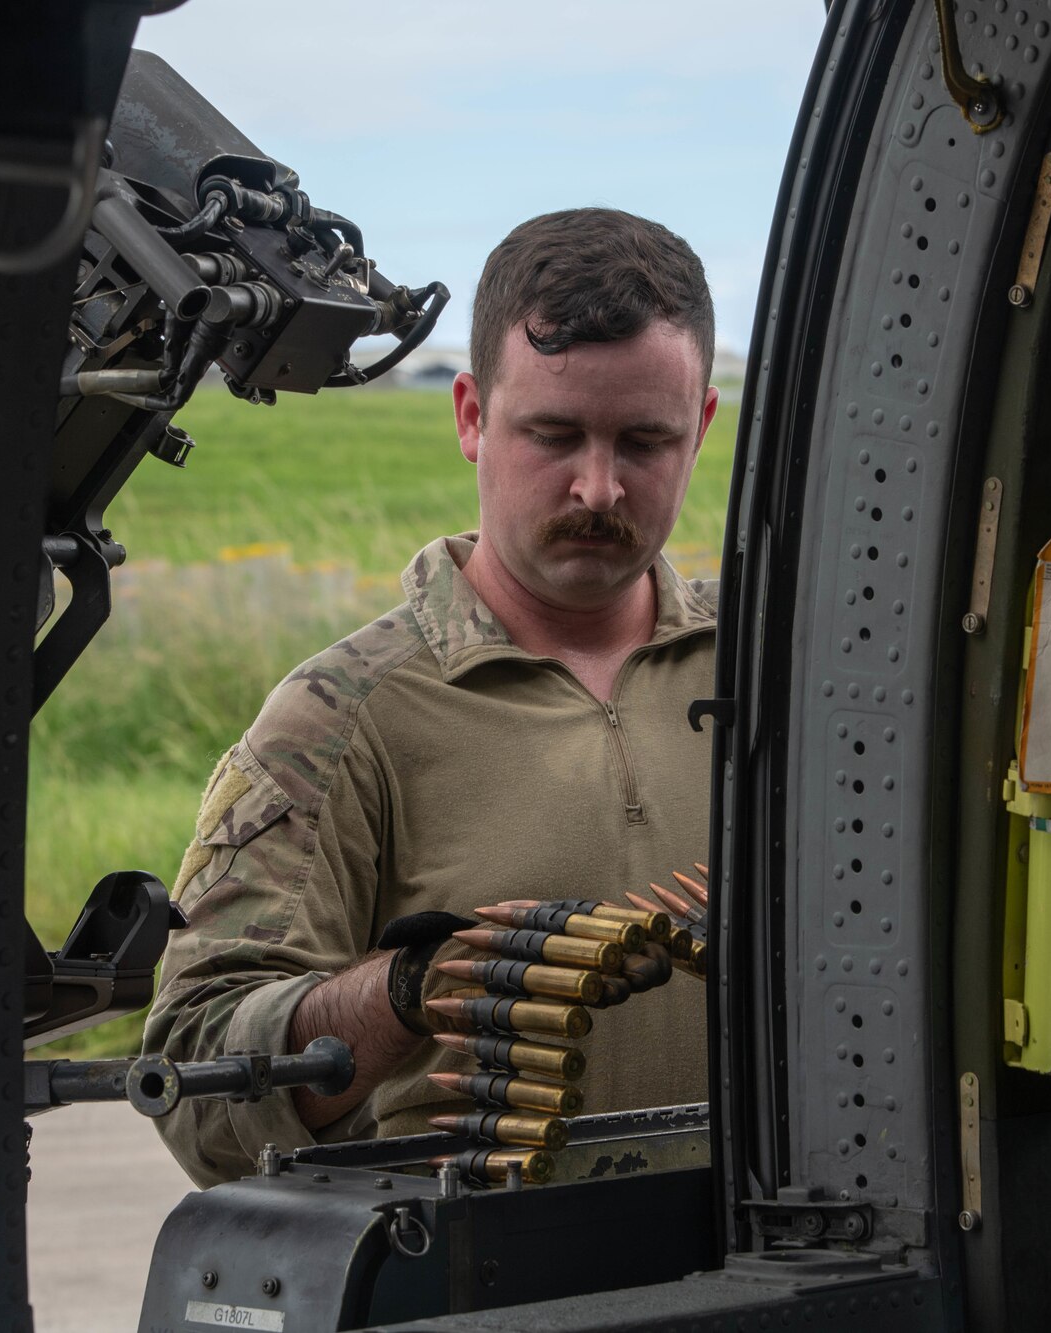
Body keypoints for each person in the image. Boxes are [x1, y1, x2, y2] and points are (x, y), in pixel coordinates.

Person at [144, 208, 721, 1187]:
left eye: (642, 442)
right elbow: (195, 1089)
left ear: (701, 427)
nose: (596, 488)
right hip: (478, 1284)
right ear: (469, 417)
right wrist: (412, 992)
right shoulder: (338, 720)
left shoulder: (788, 675)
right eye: (553, 434)